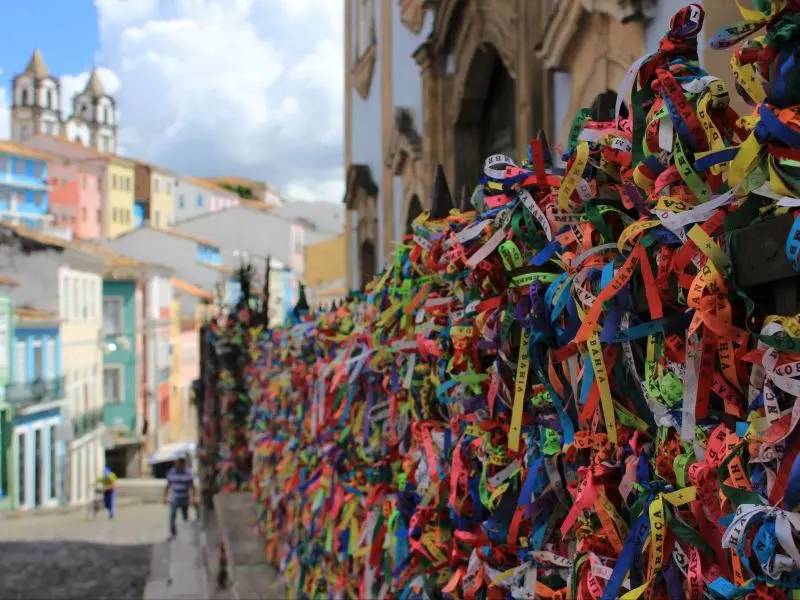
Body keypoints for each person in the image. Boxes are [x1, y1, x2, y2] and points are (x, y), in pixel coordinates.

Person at [163, 454, 195, 540]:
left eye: (177, 463)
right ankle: (173, 533)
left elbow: (191, 486)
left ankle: (185, 533)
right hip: (175, 497)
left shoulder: (188, 472)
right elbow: (168, 485)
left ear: (182, 463)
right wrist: (165, 496)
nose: (176, 465)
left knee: (185, 516)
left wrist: (192, 498)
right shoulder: (171, 472)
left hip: (184, 497)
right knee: (172, 515)